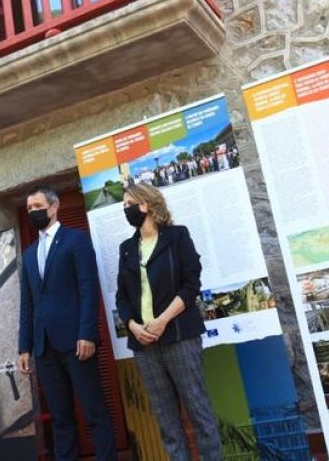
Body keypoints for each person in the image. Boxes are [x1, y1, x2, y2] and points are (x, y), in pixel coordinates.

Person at [115, 183, 223, 461]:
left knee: (198, 411)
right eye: (124, 205)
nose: (126, 209)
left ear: (147, 204)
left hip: (179, 336)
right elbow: (122, 298)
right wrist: (133, 326)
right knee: (166, 420)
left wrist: (162, 319)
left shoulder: (177, 237)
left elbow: (191, 284)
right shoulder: (126, 248)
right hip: (144, 344)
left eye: (130, 204)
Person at [17, 187, 115, 461]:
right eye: (29, 209)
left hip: (77, 342)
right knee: (61, 418)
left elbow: (88, 289)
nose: (33, 212)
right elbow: (28, 303)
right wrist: (24, 346)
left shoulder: (76, 240)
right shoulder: (28, 254)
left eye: (37, 205)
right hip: (44, 347)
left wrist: (87, 333)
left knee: (95, 413)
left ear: (54, 206)